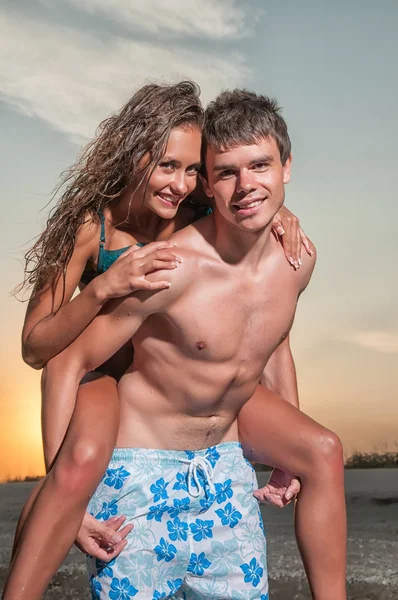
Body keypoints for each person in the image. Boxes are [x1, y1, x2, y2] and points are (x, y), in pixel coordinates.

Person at [10, 89, 346, 599]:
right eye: (169, 166)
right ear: (135, 156)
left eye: (192, 171)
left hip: (194, 382)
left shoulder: (200, 209)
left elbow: (270, 329)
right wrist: (104, 286)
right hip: (111, 376)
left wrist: (277, 211)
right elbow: (45, 352)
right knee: (72, 469)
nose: (182, 183)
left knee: (322, 450)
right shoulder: (98, 230)